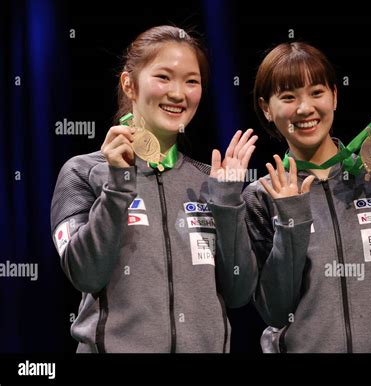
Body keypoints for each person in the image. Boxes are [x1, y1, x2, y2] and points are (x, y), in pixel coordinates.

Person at [50, 25, 258, 353]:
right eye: (163, 77)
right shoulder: (83, 172)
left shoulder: (209, 181)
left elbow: (239, 291)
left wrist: (228, 201)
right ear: (129, 84)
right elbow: (85, 274)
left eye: (192, 81)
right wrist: (118, 185)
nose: (178, 93)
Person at [243, 41, 371, 353]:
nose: (305, 108)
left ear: (334, 96)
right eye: (288, 97)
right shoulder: (261, 197)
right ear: (266, 109)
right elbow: (275, 309)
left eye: (317, 92)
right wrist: (291, 216)